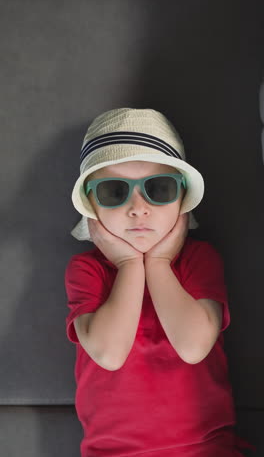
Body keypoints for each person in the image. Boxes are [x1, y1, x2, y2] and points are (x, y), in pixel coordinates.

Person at [65, 108, 253, 457]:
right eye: (113, 192)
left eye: (159, 189)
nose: (138, 208)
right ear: (91, 206)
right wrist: (127, 264)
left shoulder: (199, 260)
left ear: (181, 202)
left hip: (205, 449)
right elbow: (108, 353)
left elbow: (194, 346)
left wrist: (160, 262)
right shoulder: (86, 270)